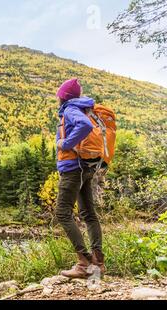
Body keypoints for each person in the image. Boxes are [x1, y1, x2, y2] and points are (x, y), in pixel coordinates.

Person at [55, 78, 105, 279]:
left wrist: (65, 144)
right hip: (86, 167)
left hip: (73, 168)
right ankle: (98, 264)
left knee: (62, 212)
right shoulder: (85, 108)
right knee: (88, 213)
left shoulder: (70, 109)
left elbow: (84, 126)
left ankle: (83, 263)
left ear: (63, 96)